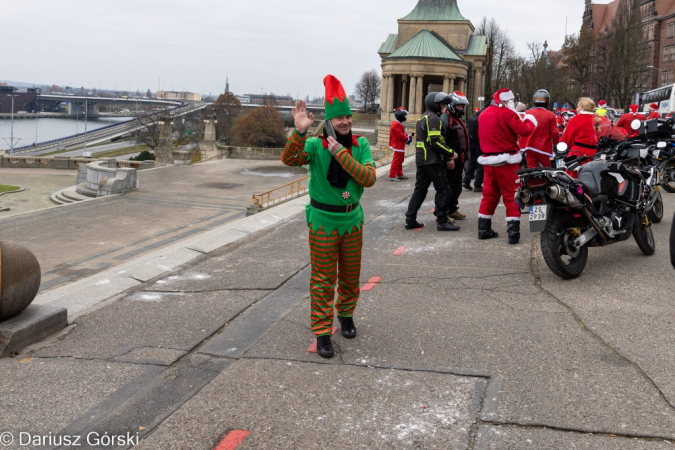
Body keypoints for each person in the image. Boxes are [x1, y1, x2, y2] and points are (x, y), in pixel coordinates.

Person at [281, 75, 376, 359]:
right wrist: (298, 133)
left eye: (348, 116)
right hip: (324, 222)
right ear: (329, 122)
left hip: (352, 221)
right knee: (323, 279)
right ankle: (323, 332)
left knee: (350, 276)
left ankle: (345, 315)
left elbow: (368, 178)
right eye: (339, 119)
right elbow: (289, 159)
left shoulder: (360, 145)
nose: (345, 122)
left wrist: (342, 155)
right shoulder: (314, 146)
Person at [477, 88, 537, 244]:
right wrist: (530, 119)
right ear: (505, 100)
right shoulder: (507, 113)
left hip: (488, 161)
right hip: (507, 160)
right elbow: (524, 130)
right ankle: (513, 234)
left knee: (489, 195)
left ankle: (483, 229)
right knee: (511, 195)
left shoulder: (482, 115)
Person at [405, 92, 460, 231]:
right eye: (442, 104)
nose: (443, 106)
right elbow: (435, 141)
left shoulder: (423, 117)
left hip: (422, 160)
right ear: (434, 104)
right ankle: (442, 221)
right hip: (432, 160)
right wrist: (450, 153)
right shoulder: (433, 118)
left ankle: (410, 219)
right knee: (444, 189)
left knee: (420, 191)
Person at [441, 91, 470, 221]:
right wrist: (448, 158)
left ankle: (452, 209)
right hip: (451, 160)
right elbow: (442, 141)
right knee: (448, 188)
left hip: (460, 159)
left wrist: (467, 154)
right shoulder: (445, 119)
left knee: (457, 187)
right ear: (452, 105)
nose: (462, 108)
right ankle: (443, 212)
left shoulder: (458, 119)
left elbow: (464, 138)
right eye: (459, 106)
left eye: (463, 106)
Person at [560, 97, 599, 178]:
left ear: (582, 107)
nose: (577, 109)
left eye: (578, 106)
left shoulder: (574, 120)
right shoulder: (601, 120)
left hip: (578, 156)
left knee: (574, 182)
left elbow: (565, 140)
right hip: (597, 156)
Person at [521, 89, 560, 169]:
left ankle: (533, 181)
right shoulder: (550, 115)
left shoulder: (527, 113)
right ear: (547, 102)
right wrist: (556, 144)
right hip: (544, 148)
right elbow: (555, 132)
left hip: (530, 147)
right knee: (548, 170)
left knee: (531, 170)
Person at [463, 105, 486, 192]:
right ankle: (477, 184)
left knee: (472, 162)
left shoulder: (471, 118)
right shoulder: (482, 118)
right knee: (480, 164)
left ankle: (466, 181)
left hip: (471, 143)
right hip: (479, 143)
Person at [388, 107, 412, 181]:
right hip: (398, 145)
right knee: (396, 161)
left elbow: (403, 133)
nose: (405, 117)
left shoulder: (398, 123)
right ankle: (392, 175)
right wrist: (408, 138)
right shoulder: (396, 124)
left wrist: (408, 136)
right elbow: (400, 136)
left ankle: (399, 174)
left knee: (400, 160)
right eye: (404, 116)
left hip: (400, 145)